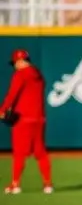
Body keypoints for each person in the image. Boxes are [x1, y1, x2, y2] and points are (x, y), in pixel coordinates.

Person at [1, 49, 52, 195]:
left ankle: (15, 185)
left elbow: (12, 94)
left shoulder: (20, 74)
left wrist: (2, 110)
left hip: (23, 119)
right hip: (39, 118)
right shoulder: (39, 75)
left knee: (19, 153)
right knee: (40, 152)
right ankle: (48, 184)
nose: (14, 66)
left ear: (19, 61)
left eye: (15, 63)